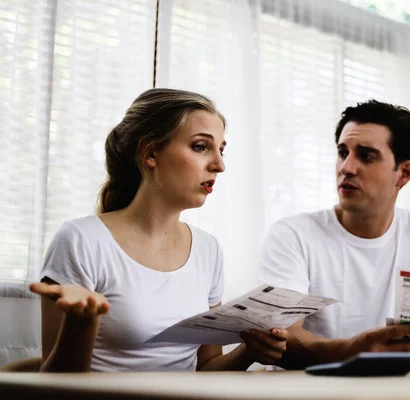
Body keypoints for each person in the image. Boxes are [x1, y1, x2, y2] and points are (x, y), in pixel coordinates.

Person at [30, 88, 288, 372]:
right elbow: (52, 385)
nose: (219, 165)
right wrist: (82, 323)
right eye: (201, 146)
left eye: (221, 150)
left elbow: (206, 367)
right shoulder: (82, 241)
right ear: (151, 152)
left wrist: (249, 351)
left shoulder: (207, 249)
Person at [257, 100, 410, 369]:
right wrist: (352, 350)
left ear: (404, 172)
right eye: (343, 153)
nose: (346, 167)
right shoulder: (294, 235)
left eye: (365, 156)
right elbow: (278, 342)